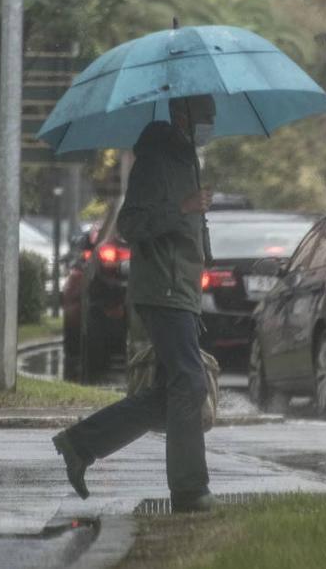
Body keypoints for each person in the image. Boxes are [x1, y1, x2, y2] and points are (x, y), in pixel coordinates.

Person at [52, 94, 217, 513]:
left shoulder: (186, 160)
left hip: (182, 287)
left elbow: (183, 224)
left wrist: (199, 229)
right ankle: (189, 490)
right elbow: (131, 224)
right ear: (182, 114)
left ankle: (80, 444)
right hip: (162, 289)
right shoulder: (155, 159)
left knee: (169, 392)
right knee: (190, 382)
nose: (210, 122)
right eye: (205, 114)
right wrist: (182, 209)